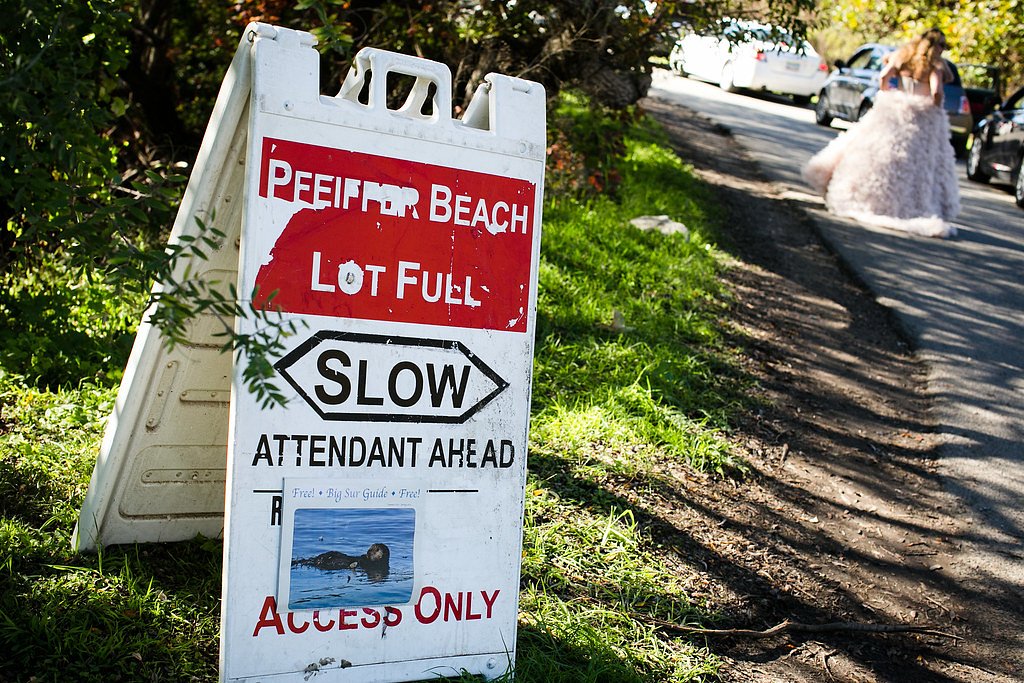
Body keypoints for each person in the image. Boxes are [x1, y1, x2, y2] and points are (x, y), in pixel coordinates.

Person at [802, 29, 961, 238]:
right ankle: (906, 204)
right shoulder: (935, 66)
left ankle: (868, 198)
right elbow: (937, 91)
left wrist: (887, 93)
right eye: (942, 46)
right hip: (923, 116)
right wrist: (935, 106)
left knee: (881, 153)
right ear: (936, 46)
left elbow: (885, 76)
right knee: (917, 162)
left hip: (897, 109)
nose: (943, 50)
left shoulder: (902, 57)